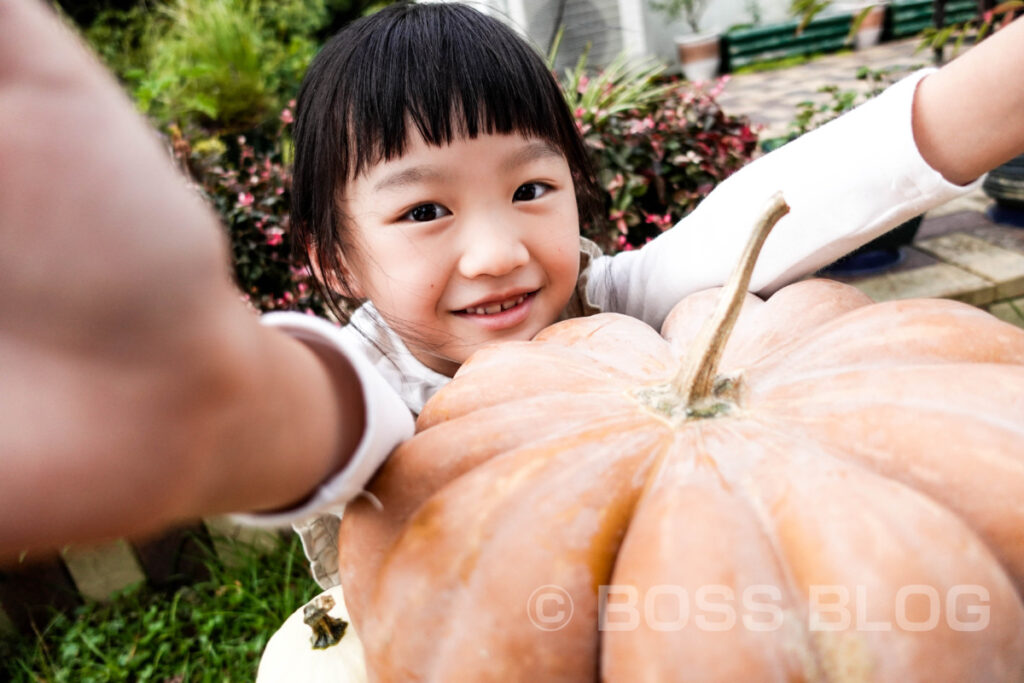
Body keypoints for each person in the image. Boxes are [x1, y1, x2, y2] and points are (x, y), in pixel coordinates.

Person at [1, 0, 1022, 591]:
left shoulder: (616, 302)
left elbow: (794, 195)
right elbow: (322, 418)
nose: (498, 252)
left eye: (530, 190)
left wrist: (991, 91)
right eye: (423, 212)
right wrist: (224, 403)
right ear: (335, 261)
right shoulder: (374, 375)